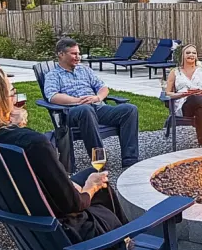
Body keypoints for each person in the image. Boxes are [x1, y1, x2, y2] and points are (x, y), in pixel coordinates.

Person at [0, 67, 130, 250]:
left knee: (92, 174)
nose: (15, 96)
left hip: (34, 220)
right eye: (12, 92)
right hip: (72, 236)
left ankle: (122, 237)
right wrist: (89, 187)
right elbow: (73, 204)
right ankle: (121, 239)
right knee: (99, 182)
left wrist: (11, 125)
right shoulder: (32, 143)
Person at [43, 37, 139, 167]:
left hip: (97, 107)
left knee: (129, 109)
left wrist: (98, 97)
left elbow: (103, 88)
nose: (78, 57)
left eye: (78, 53)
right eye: (74, 53)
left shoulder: (85, 70)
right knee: (85, 110)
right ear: (61, 54)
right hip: (72, 112)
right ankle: (99, 161)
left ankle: (130, 160)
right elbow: (53, 96)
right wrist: (78, 101)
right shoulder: (53, 75)